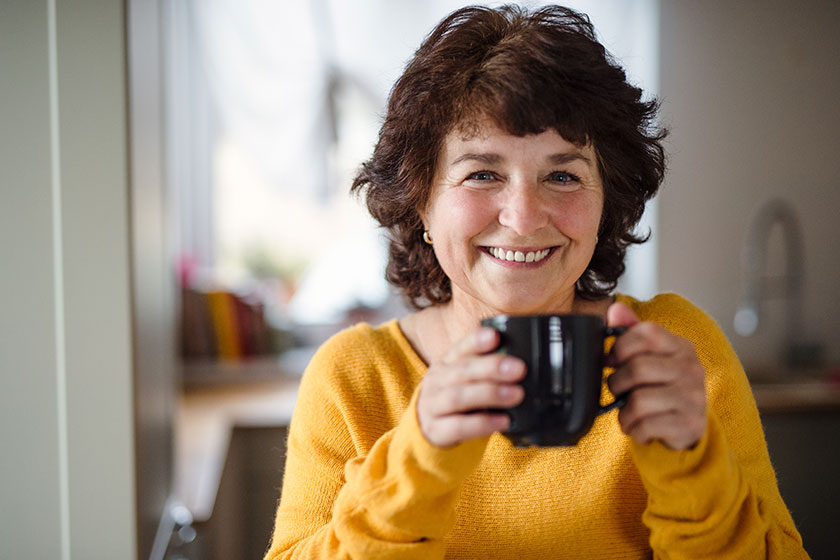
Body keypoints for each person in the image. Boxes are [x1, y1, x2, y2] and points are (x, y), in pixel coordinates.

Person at [264, 5, 808, 559]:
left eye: (562, 175)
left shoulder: (676, 350)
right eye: (481, 173)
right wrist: (416, 461)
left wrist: (693, 464)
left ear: (607, 202)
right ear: (421, 203)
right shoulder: (352, 381)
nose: (523, 218)